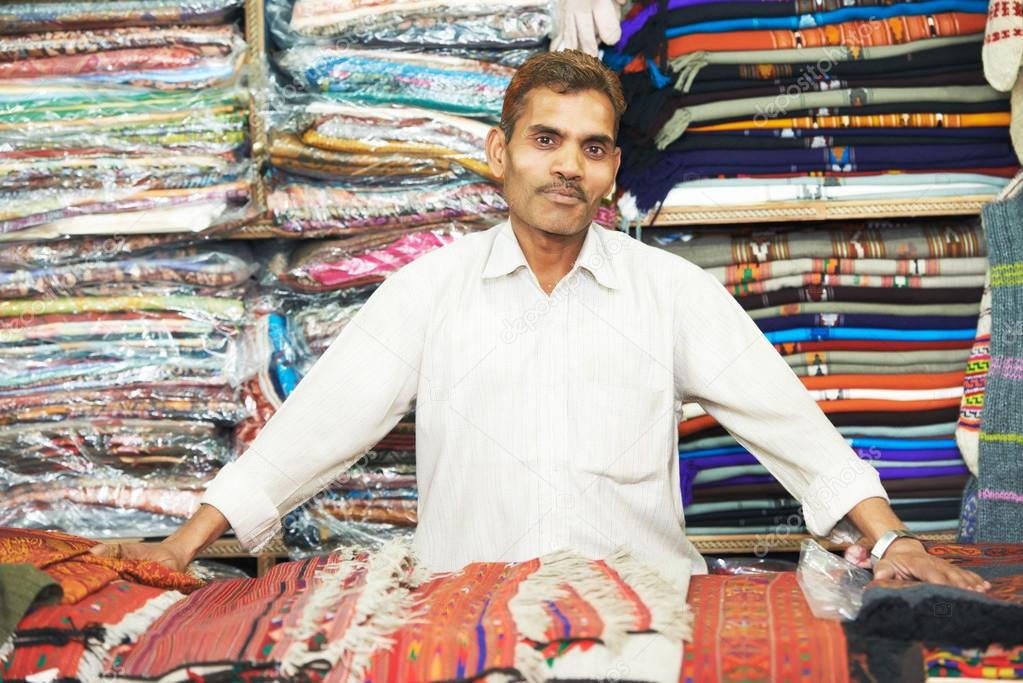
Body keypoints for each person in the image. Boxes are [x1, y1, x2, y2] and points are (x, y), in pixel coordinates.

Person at [95, 51, 989, 592]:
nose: (569, 167)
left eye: (593, 147)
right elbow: (318, 428)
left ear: (610, 172)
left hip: (644, 622)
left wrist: (892, 536)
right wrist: (183, 545)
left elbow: (787, 424)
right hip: (469, 627)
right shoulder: (430, 289)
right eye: (545, 139)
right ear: (500, 153)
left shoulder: (667, 291)